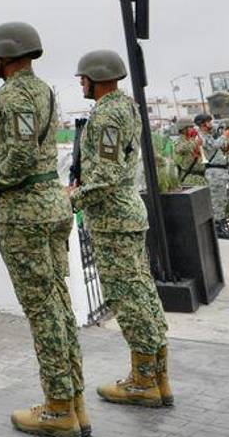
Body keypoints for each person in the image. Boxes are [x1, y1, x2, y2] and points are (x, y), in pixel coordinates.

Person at [0, 22, 85, 437]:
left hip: (26, 211)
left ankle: (58, 407)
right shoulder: (44, 91)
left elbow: (17, 158)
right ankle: (74, 400)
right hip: (51, 204)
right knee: (58, 302)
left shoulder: (14, 95)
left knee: (43, 310)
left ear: (6, 53)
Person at [69, 50, 172, 408]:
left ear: (97, 77)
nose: (81, 83)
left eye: (83, 77)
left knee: (126, 298)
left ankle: (144, 381)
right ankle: (158, 375)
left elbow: (107, 176)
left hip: (113, 218)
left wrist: (71, 199)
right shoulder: (126, 108)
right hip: (125, 214)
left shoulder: (109, 115)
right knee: (142, 293)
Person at [198, 115, 229, 240]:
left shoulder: (210, 135)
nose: (212, 124)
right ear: (203, 124)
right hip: (213, 172)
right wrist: (223, 136)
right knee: (217, 201)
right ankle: (218, 228)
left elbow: (223, 148)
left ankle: (221, 225)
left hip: (220, 171)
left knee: (222, 200)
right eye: (209, 122)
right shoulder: (201, 136)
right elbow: (212, 146)